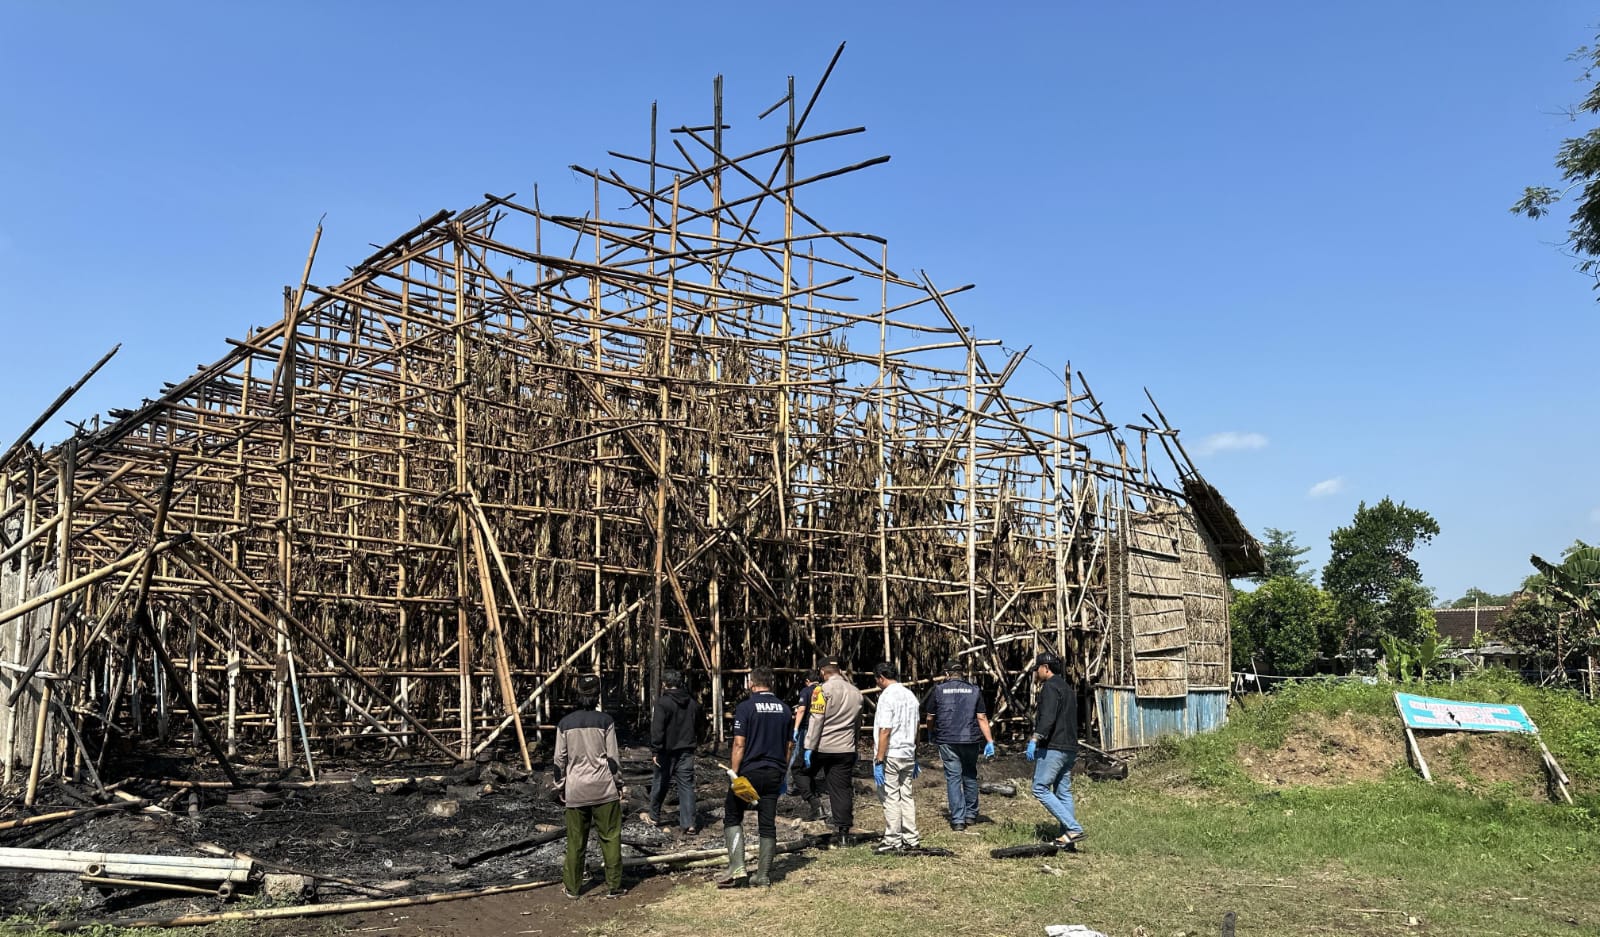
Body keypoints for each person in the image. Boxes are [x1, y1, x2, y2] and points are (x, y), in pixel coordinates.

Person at [718, 667, 792, 888]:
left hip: (749, 772)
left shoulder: (746, 707)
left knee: (733, 816)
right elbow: (789, 745)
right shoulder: (785, 709)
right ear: (771, 683)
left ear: (752, 683)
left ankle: (737, 867)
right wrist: (783, 771)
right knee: (767, 824)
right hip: (774, 772)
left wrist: (734, 773)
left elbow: (739, 743)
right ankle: (763, 875)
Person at [553, 674, 625, 898]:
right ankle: (614, 885)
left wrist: (561, 785)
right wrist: (618, 783)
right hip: (603, 788)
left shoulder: (565, 724)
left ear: (578, 694)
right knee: (610, 837)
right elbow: (612, 758)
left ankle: (573, 888)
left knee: (576, 841)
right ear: (597, 695)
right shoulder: (606, 721)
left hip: (576, 790)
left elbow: (559, 760)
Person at [922, 658, 996, 831]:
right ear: (961, 674)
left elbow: (930, 717)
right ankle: (971, 815)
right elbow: (981, 717)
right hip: (970, 739)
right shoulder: (974, 690)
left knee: (953, 778)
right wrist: (990, 741)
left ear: (947, 674)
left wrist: (931, 732)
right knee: (969, 774)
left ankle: (957, 820)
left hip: (947, 739)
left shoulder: (938, 690)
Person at [802, 656, 864, 847]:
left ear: (822, 672)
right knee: (841, 789)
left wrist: (809, 747)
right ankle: (843, 832)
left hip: (824, 746)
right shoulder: (856, 692)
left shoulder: (821, 690)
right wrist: (854, 744)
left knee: (799, 771)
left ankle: (815, 804)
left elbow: (817, 719)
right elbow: (857, 723)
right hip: (845, 747)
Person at [1025, 651, 1085, 847]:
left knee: (1039, 788)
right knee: (1063, 791)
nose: (1036, 672)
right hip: (1070, 747)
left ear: (1046, 668)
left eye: (1037, 669)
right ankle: (1067, 840)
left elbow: (1048, 717)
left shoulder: (1050, 687)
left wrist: (1036, 738)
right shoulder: (1067, 688)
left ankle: (1073, 828)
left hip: (1054, 746)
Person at [870, 662, 921, 853]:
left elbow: (885, 730)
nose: (877, 683)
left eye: (876, 680)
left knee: (890, 797)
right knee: (906, 795)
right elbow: (917, 727)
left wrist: (879, 759)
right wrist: (915, 754)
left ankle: (892, 839)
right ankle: (911, 838)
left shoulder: (887, 697)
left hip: (891, 753)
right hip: (907, 752)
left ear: (881, 678)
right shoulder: (910, 696)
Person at [646, 669, 700, 834]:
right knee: (686, 785)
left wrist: (655, 750)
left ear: (664, 684)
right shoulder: (692, 703)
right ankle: (689, 824)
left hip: (666, 751)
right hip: (686, 750)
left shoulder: (662, 703)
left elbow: (658, 729)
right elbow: (700, 724)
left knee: (660, 783)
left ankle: (654, 816)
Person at [789, 669, 824, 820]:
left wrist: (796, 728)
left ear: (807, 681)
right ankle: (810, 787)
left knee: (797, 759)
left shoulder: (807, 691)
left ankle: (790, 785)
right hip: (823, 730)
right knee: (813, 761)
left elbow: (802, 709)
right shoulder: (823, 690)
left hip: (807, 728)